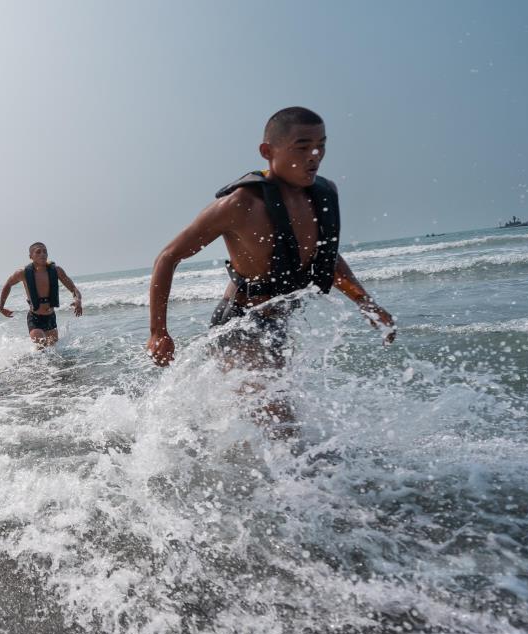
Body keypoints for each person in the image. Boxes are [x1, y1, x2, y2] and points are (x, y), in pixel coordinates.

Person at [146, 107, 395, 431]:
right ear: (268, 152)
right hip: (238, 324)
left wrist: (365, 303)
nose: (314, 156)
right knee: (278, 423)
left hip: (278, 325)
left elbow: (327, 259)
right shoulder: (241, 204)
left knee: (264, 417)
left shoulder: (321, 196)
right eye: (302, 147)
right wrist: (158, 333)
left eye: (321, 145)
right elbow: (168, 256)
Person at [0, 242, 83, 347]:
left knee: (52, 351)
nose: (42, 254)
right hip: (35, 317)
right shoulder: (23, 273)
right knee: (41, 343)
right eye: (38, 252)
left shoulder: (56, 270)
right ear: (31, 256)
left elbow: (73, 288)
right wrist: (1, 307)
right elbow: (8, 284)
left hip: (50, 317)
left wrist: (78, 300)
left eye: (45, 251)